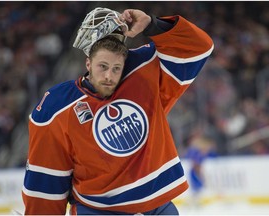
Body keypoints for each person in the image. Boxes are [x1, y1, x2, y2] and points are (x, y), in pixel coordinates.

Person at [22, 7, 214, 215]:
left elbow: (198, 47)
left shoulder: (144, 70)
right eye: (102, 67)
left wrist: (152, 25)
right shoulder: (57, 107)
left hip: (158, 208)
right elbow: (46, 180)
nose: (109, 76)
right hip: (97, 211)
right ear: (88, 62)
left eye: (116, 68)